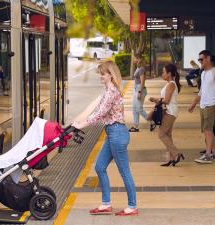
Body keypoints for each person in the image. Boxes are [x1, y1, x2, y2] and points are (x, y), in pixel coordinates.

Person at [72, 61, 138, 216]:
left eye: (103, 74)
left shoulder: (111, 92)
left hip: (117, 133)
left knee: (124, 171)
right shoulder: (108, 90)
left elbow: (100, 113)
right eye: (100, 74)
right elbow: (96, 110)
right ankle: (106, 203)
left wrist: (82, 124)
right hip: (112, 133)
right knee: (100, 167)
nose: (100, 77)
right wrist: (80, 120)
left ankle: (132, 206)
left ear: (110, 75)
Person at [189, 50, 215, 164]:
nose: (200, 61)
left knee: (208, 130)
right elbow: (201, 91)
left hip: (212, 105)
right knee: (207, 131)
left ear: (208, 58)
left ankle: (208, 155)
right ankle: (214, 153)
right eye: (199, 59)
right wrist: (194, 103)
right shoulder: (204, 73)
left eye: (201, 59)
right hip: (203, 105)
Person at [149, 63, 184, 166]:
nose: (162, 74)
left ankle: (177, 154)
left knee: (161, 134)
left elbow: (167, 100)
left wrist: (155, 99)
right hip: (169, 112)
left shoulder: (171, 84)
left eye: (163, 72)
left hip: (170, 112)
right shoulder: (170, 84)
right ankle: (170, 158)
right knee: (168, 135)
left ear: (169, 73)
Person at [129, 53, 147, 132]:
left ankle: (152, 120)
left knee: (139, 108)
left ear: (138, 58)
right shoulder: (138, 67)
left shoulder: (142, 68)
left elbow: (143, 81)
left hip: (140, 89)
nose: (133, 60)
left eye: (134, 58)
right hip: (136, 88)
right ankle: (135, 126)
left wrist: (140, 91)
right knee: (134, 108)